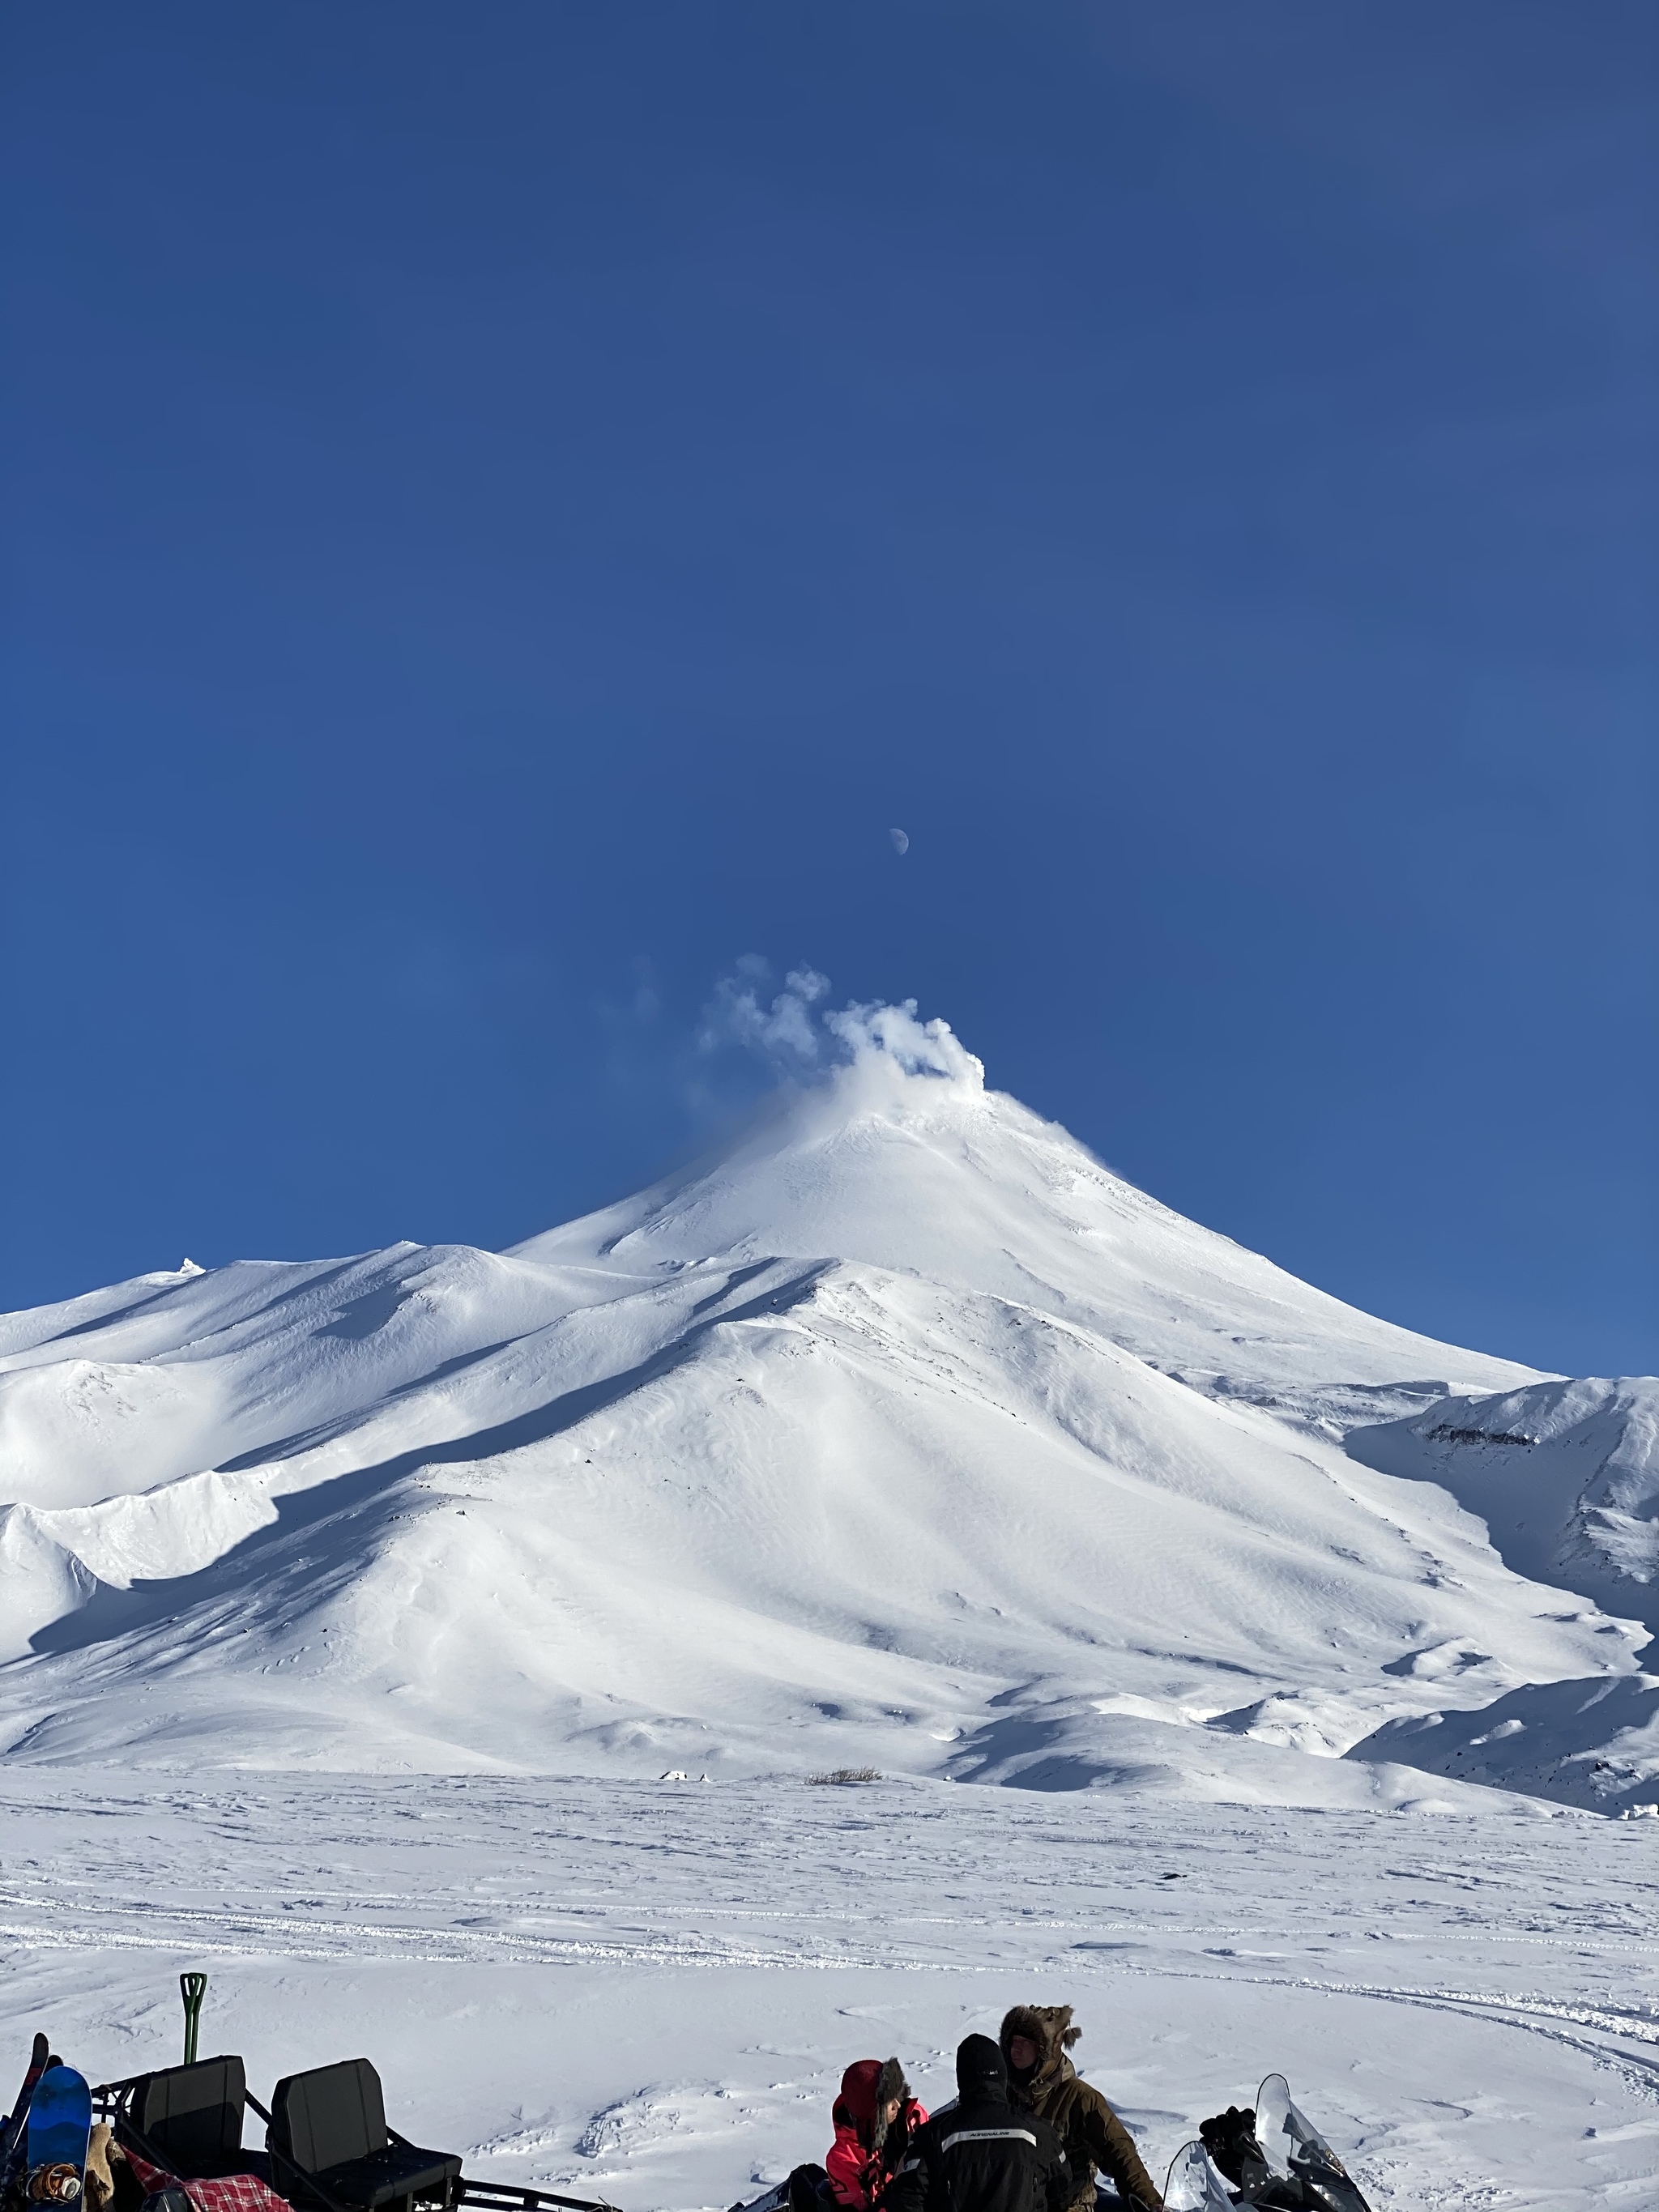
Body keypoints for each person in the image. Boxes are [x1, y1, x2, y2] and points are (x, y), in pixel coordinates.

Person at [999, 2006, 1162, 2212]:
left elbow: (1119, 2151)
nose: (1016, 2049)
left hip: (1069, 2206)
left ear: (1045, 2049)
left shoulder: (1079, 2098)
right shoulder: (1004, 2092)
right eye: (1013, 2042)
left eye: (1025, 2043)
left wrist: (1149, 2202)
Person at [889, 2034, 1070, 2212]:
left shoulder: (932, 2135)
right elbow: (1063, 2191)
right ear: (1002, 2076)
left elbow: (906, 2199)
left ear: (963, 2079)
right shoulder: (1039, 2132)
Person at [827, 2058, 928, 2211]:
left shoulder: (913, 2116)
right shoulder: (842, 2159)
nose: (898, 2104)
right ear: (872, 2112)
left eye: (897, 2095)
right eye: (888, 2102)